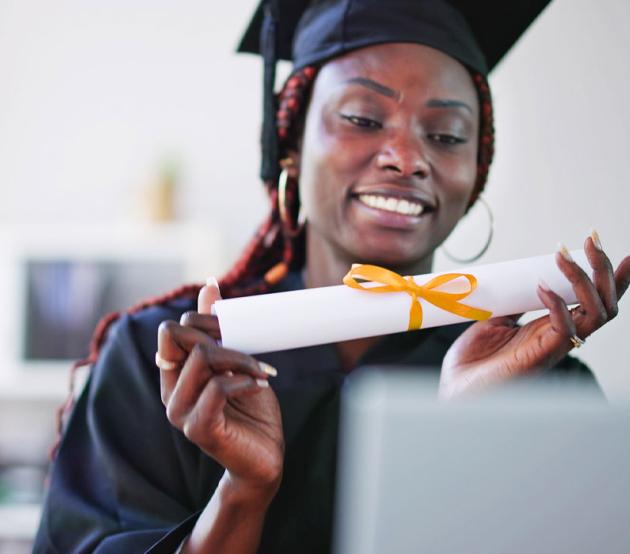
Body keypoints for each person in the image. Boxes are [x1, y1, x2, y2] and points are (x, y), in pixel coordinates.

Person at [34, 0, 630, 552]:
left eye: (446, 135)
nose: (406, 157)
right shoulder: (164, 360)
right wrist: (241, 492)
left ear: (476, 174)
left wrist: (465, 431)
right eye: (362, 119)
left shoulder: (542, 386)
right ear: (289, 142)